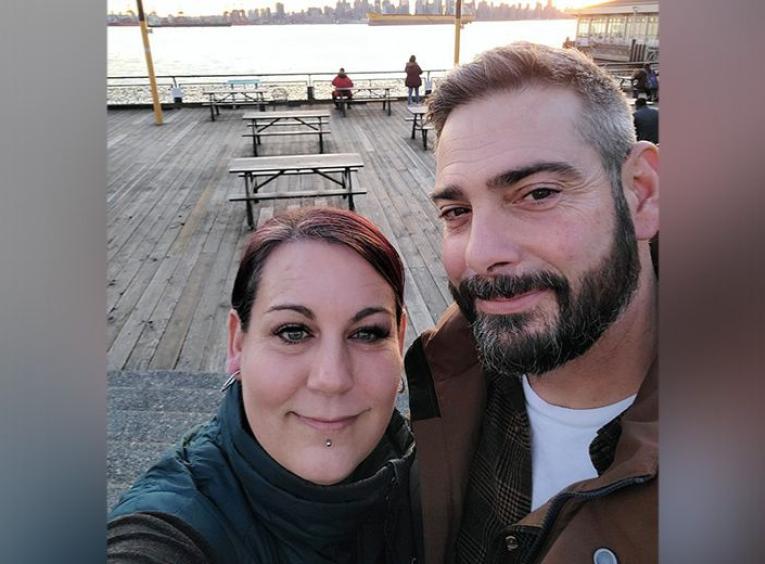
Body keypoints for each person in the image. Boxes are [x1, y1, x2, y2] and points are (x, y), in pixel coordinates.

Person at [405, 42, 659, 564]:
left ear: (642, 193)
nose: (481, 254)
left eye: (538, 193)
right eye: (457, 211)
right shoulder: (445, 386)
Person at [108, 208, 416, 564]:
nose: (331, 379)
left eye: (367, 333)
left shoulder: (445, 474)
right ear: (237, 343)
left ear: (400, 337)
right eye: (293, 332)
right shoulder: (170, 527)